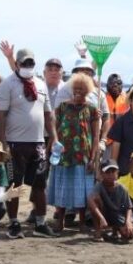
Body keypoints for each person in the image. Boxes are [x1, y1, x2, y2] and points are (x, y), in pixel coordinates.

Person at [0, 48, 58, 239]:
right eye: (24, 63)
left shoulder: (40, 83)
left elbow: (48, 113)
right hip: (14, 144)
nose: (28, 66)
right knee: (14, 184)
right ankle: (14, 223)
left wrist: (54, 136)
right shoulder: (7, 85)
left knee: (39, 184)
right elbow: (0, 115)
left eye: (31, 63)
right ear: (18, 64)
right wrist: (2, 143)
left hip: (38, 143)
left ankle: (40, 222)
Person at [47, 73, 100, 233]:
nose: (78, 92)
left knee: (82, 190)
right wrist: (53, 144)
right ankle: (60, 220)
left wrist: (93, 158)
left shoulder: (92, 110)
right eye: (75, 89)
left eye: (82, 90)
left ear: (87, 91)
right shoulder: (62, 107)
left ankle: (82, 222)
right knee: (62, 188)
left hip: (83, 157)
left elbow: (96, 136)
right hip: (63, 155)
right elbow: (53, 126)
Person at [88, 161, 133, 242]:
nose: (111, 175)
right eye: (107, 172)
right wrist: (102, 218)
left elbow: (129, 207)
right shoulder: (99, 186)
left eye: (113, 172)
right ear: (102, 174)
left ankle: (115, 231)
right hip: (104, 213)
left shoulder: (122, 188)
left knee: (129, 233)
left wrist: (128, 222)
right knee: (94, 200)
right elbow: (90, 200)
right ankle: (98, 231)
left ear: (117, 173)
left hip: (117, 215)